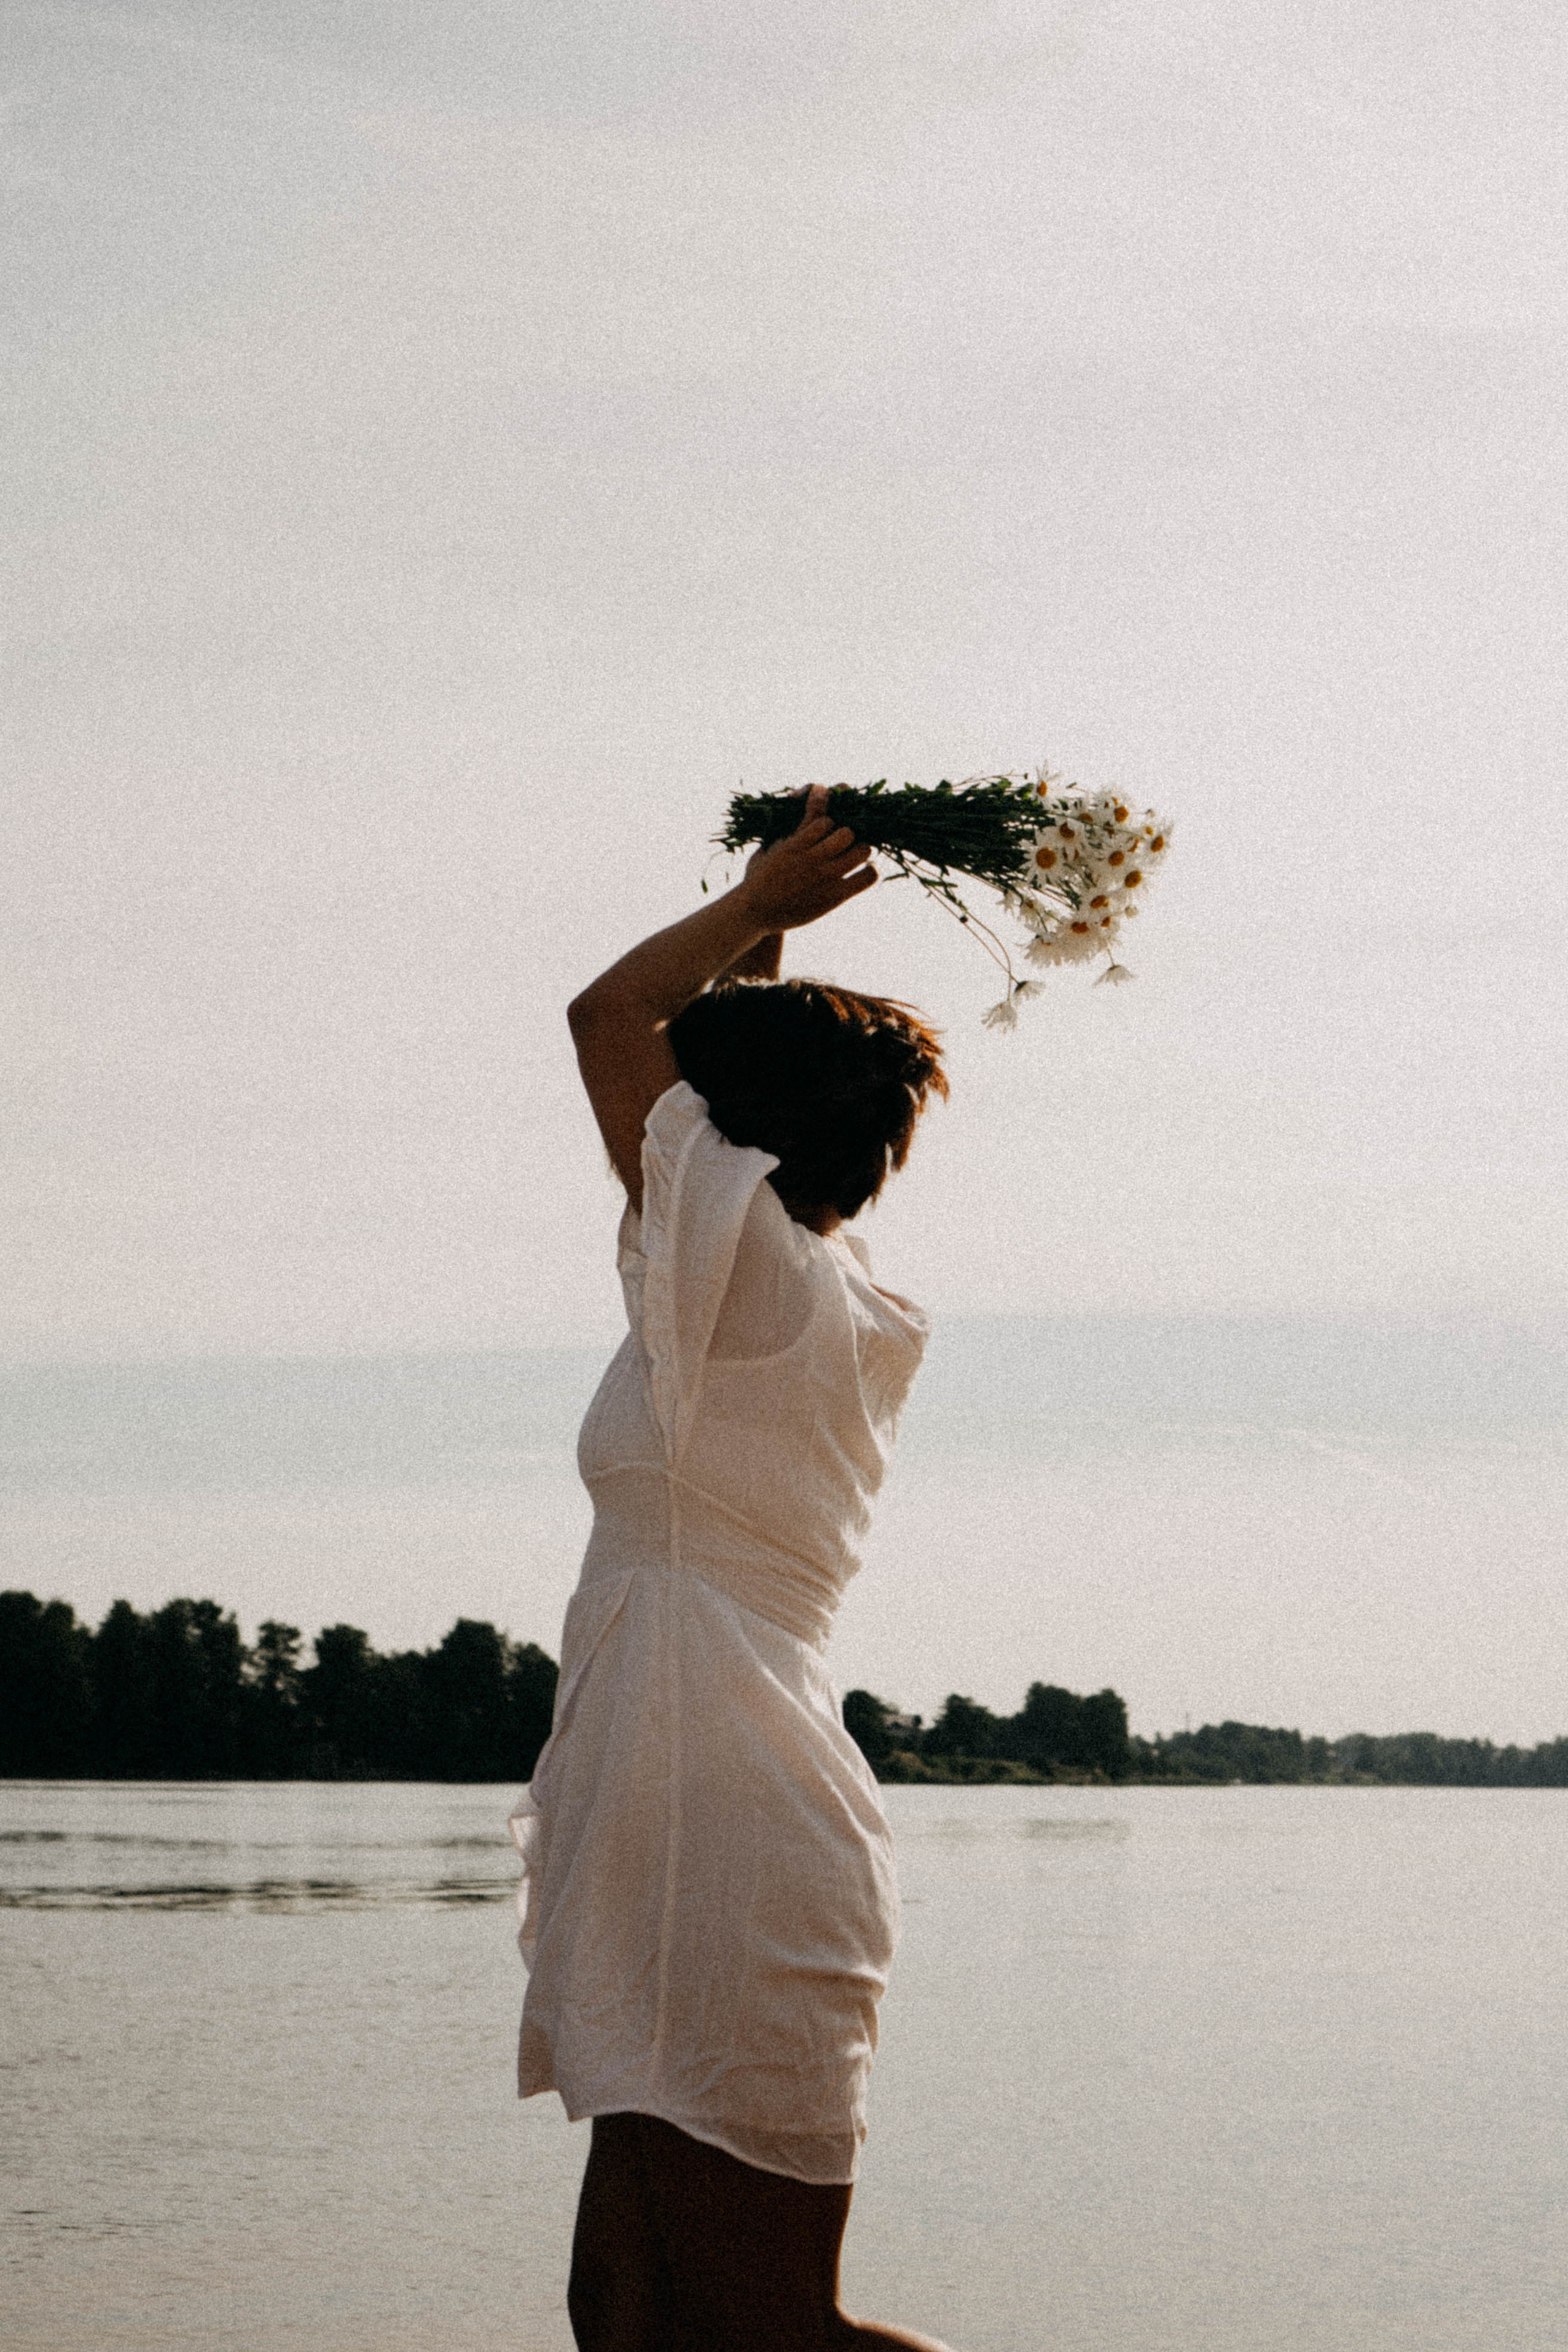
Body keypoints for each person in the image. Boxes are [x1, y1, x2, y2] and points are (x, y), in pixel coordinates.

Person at [511, 786, 955, 2350]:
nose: (662, 1111)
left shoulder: (764, 1283)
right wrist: (774, 915)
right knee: (622, 2313)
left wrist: (764, 891)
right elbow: (715, 1048)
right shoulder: (781, 1281)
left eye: (700, 1096)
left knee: (778, 2329)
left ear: (729, 1140)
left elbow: (609, 1011)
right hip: (658, 1817)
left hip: (736, 1823)